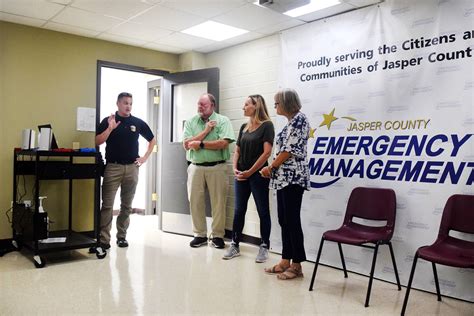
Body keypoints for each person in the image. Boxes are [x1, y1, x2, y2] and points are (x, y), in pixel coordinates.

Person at [260, 89, 310, 280]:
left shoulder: (300, 120)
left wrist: (270, 167)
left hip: (293, 178)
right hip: (282, 179)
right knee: (283, 220)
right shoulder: (289, 123)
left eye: (277, 103)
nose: (275, 107)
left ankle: (297, 265)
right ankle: (285, 260)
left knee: (292, 220)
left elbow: (288, 150)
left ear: (287, 103)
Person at [96, 92, 156, 249]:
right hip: (112, 167)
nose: (128, 106)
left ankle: (121, 236)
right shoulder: (109, 121)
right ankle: (104, 240)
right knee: (107, 205)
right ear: (118, 104)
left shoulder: (137, 122)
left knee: (127, 206)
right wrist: (110, 129)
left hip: (132, 168)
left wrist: (144, 157)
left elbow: (152, 139)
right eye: (125, 103)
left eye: (130, 103)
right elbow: (97, 141)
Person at [223, 95, 274, 262]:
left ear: (256, 106)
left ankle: (264, 246)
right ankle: (234, 245)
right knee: (239, 210)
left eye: (246, 105)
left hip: (258, 175)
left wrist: (250, 171)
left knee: (263, 211)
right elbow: (236, 150)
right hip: (242, 175)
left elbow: (267, 152)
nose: (243, 108)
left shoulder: (267, 126)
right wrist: (235, 168)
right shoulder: (244, 127)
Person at [183, 93, 235, 249]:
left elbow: (223, 143)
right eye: (198, 104)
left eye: (203, 105)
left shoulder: (223, 121)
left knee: (219, 203)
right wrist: (205, 131)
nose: (200, 107)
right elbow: (186, 144)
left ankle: (218, 236)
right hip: (196, 167)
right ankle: (199, 235)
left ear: (213, 106)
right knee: (195, 202)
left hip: (217, 167)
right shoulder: (191, 122)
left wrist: (201, 144)